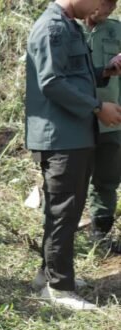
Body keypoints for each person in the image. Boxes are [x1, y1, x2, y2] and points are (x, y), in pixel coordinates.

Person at [26, 0, 121, 310]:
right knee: (63, 210)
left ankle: (48, 274)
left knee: (65, 208)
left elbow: (73, 76)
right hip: (61, 136)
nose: (99, 6)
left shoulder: (68, 25)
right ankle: (59, 288)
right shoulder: (53, 27)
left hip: (74, 135)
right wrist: (97, 108)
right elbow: (52, 83)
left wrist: (105, 70)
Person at [82, 0, 121, 251]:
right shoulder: (67, 30)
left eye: (113, 4)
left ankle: (100, 234)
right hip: (76, 118)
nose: (108, 9)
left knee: (107, 177)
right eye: (104, 2)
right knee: (68, 177)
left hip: (113, 118)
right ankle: (59, 236)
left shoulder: (117, 31)